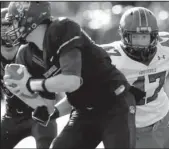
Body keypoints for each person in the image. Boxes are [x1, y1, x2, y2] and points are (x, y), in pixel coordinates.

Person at [3, 2, 142, 149]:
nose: (11, 26)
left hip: (115, 103)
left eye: (15, 20)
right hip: (84, 111)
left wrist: (30, 84)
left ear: (30, 19)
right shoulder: (27, 54)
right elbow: (48, 107)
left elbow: (72, 81)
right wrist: (22, 92)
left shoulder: (63, 28)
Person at [101, 7, 169, 148]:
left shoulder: (167, 47)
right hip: (133, 129)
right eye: (135, 37)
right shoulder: (110, 58)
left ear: (154, 36)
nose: (140, 42)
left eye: (144, 36)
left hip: (166, 120)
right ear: (124, 36)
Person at [1, 8, 58, 149]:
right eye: (3, 28)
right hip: (12, 116)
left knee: (46, 141)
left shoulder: (31, 50)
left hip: (40, 113)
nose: (8, 33)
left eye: (12, 27)